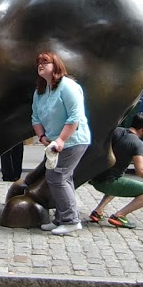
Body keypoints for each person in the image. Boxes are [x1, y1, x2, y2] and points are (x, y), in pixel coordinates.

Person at [32, 50, 90, 236]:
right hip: (54, 143)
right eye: (39, 63)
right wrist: (42, 137)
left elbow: (75, 116)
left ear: (56, 66)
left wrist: (61, 139)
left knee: (57, 177)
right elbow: (35, 118)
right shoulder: (40, 91)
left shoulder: (68, 86)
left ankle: (70, 220)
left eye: (45, 62)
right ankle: (61, 218)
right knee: (64, 178)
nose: (41, 65)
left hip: (73, 140)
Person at [86, 113, 143, 228]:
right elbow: (141, 171)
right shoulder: (137, 143)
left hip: (95, 177)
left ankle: (98, 211)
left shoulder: (117, 131)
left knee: (120, 177)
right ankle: (119, 216)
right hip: (108, 183)